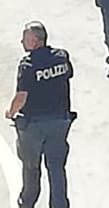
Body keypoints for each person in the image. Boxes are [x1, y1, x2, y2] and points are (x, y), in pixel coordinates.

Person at [8, 20, 74, 208]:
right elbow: (68, 75)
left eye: (25, 38)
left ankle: (27, 202)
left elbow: (21, 97)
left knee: (31, 167)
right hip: (60, 121)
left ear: (36, 40)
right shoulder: (62, 57)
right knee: (56, 168)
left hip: (34, 126)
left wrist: (10, 112)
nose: (22, 42)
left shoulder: (28, 65)